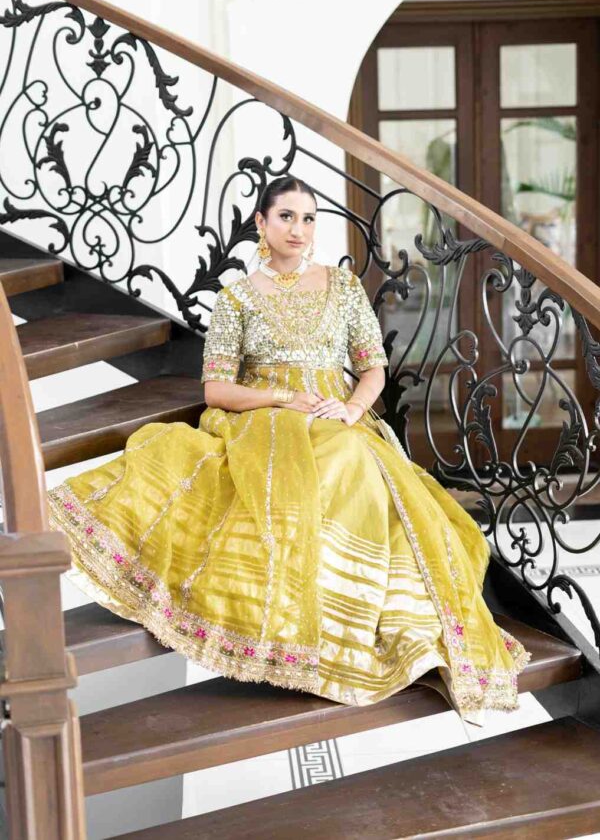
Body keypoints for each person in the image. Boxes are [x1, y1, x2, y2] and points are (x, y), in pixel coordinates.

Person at [48, 175, 531, 727]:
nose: (298, 229)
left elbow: (373, 369)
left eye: (308, 218)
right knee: (305, 467)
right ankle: (306, 630)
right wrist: (284, 399)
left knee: (355, 461)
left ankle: (361, 622)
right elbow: (216, 389)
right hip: (265, 420)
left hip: (337, 417)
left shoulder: (343, 287)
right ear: (261, 222)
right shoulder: (236, 299)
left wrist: (350, 409)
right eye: (286, 217)